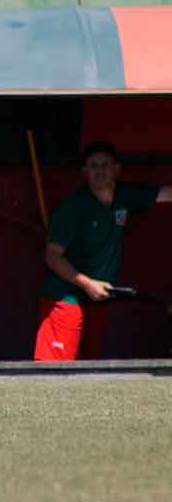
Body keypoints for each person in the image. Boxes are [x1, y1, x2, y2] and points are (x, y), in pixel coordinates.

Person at [34, 140, 172, 361]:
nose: (99, 170)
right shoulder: (73, 208)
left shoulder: (125, 195)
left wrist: (93, 288)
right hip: (65, 298)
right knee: (55, 370)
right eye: (93, 165)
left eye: (105, 165)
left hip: (99, 298)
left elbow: (167, 193)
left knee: (92, 370)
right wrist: (87, 284)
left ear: (117, 169)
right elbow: (52, 256)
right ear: (85, 171)